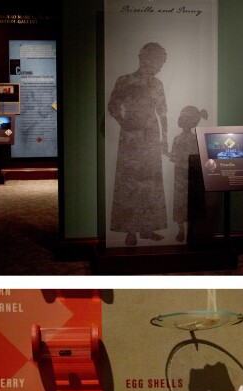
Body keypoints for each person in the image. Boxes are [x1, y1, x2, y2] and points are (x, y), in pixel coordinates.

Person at [108, 42, 169, 246]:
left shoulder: (157, 84)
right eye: (158, 62)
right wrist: (125, 122)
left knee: (151, 181)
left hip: (151, 134)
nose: (159, 67)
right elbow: (113, 106)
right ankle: (130, 230)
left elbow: (162, 113)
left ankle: (147, 227)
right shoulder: (124, 81)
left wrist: (165, 139)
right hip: (131, 137)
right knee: (130, 182)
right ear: (145, 59)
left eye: (161, 63)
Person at [169, 106, 208, 242]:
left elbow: (173, 157)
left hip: (190, 174)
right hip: (187, 174)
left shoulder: (181, 139)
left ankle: (185, 230)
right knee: (186, 201)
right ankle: (186, 230)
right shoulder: (192, 139)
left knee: (188, 201)